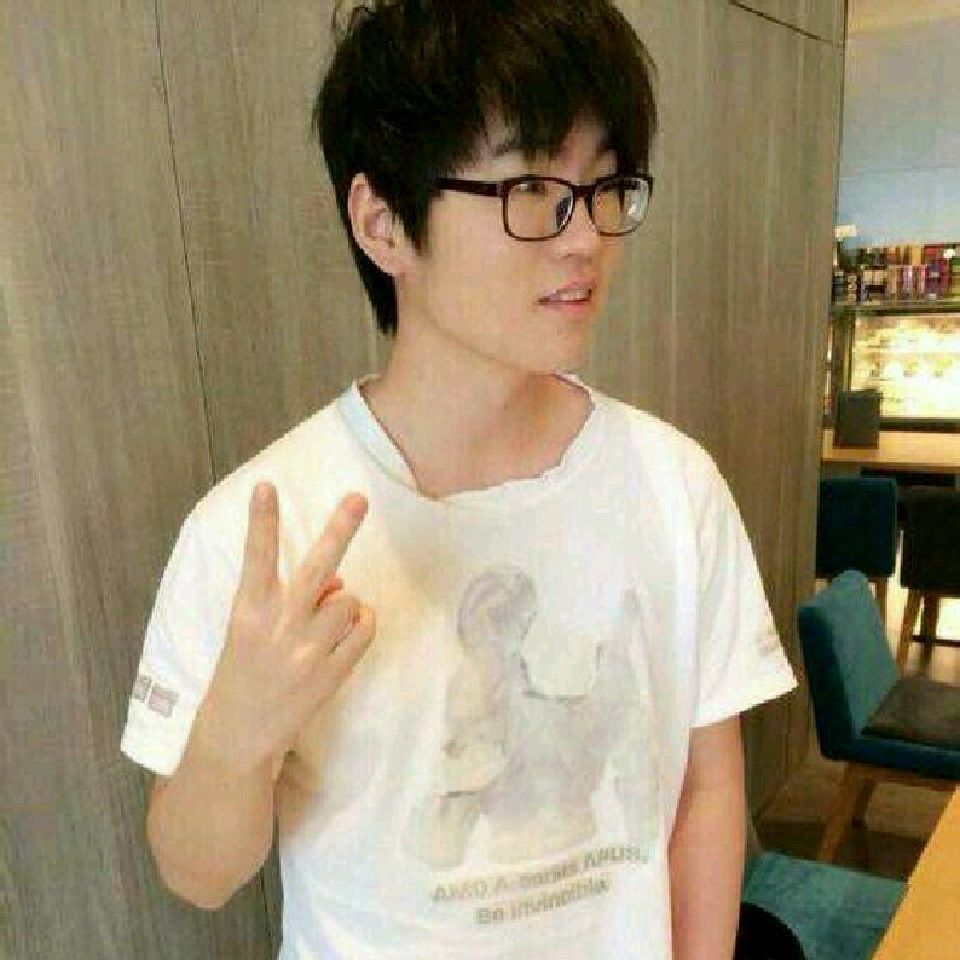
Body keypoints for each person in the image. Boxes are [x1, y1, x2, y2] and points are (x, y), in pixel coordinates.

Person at [120, 1, 798, 958]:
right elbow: (197, 875)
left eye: (604, 186)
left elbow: (706, 788)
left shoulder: (675, 487)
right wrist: (235, 739)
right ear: (384, 224)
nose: (584, 238)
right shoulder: (264, 527)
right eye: (532, 188)